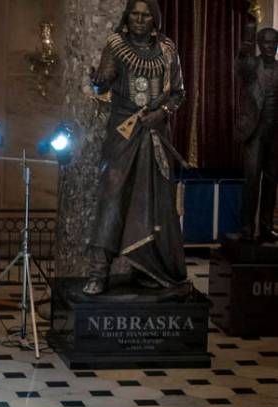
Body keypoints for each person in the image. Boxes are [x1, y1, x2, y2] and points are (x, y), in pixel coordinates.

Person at [83, 0, 187, 295]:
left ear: (155, 19)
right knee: (112, 196)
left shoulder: (167, 50)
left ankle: (150, 269)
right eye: (135, 15)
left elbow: (179, 93)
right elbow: (102, 84)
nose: (140, 20)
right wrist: (98, 82)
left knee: (155, 202)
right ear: (127, 17)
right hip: (123, 133)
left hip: (155, 134)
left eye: (146, 15)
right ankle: (97, 272)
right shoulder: (116, 45)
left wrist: (163, 112)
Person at [238, 20, 278, 243]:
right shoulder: (251, 65)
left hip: (275, 134)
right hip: (254, 132)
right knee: (252, 180)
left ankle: (265, 227)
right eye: (266, 42)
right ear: (260, 44)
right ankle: (246, 228)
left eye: (274, 43)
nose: (270, 46)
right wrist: (246, 43)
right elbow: (241, 64)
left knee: (271, 181)